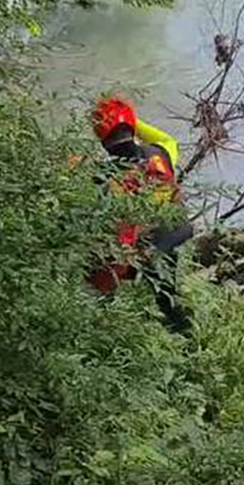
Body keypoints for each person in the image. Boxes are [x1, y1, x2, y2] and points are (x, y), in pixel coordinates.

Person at [86, 96, 194, 333]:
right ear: (133, 127)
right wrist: (130, 120)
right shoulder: (161, 151)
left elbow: (116, 224)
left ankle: (102, 324)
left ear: (102, 140)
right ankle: (186, 336)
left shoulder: (105, 177)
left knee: (95, 275)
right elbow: (167, 138)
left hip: (143, 248)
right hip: (178, 231)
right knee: (166, 296)